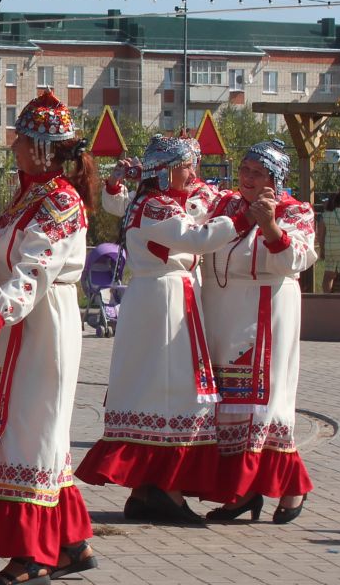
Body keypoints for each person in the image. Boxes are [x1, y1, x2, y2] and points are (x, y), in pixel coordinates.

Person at [0, 92, 97, 585]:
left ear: (40, 147)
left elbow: (37, 268)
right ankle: (72, 542)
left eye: (18, 138)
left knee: (33, 430)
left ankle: (34, 554)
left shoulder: (60, 200)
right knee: (29, 430)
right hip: (17, 321)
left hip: (44, 322)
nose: (10, 145)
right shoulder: (27, 197)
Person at [77, 134, 249, 525]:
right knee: (170, 387)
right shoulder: (155, 204)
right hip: (164, 300)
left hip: (165, 295)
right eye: (187, 166)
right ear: (169, 169)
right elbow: (197, 238)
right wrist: (241, 219)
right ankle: (165, 490)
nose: (193, 173)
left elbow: (191, 220)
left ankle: (148, 490)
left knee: (161, 386)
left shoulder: (157, 201)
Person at [202, 141, 317, 524]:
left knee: (263, 404)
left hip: (265, 312)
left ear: (275, 178)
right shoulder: (225, 206)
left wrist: (269, 225)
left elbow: (296, 259)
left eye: (257, 172)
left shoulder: (295, 211)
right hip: (223, 312)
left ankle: (290, 487)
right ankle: (243, 492)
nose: (247, 178)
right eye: (244, 170)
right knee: (231, 403)